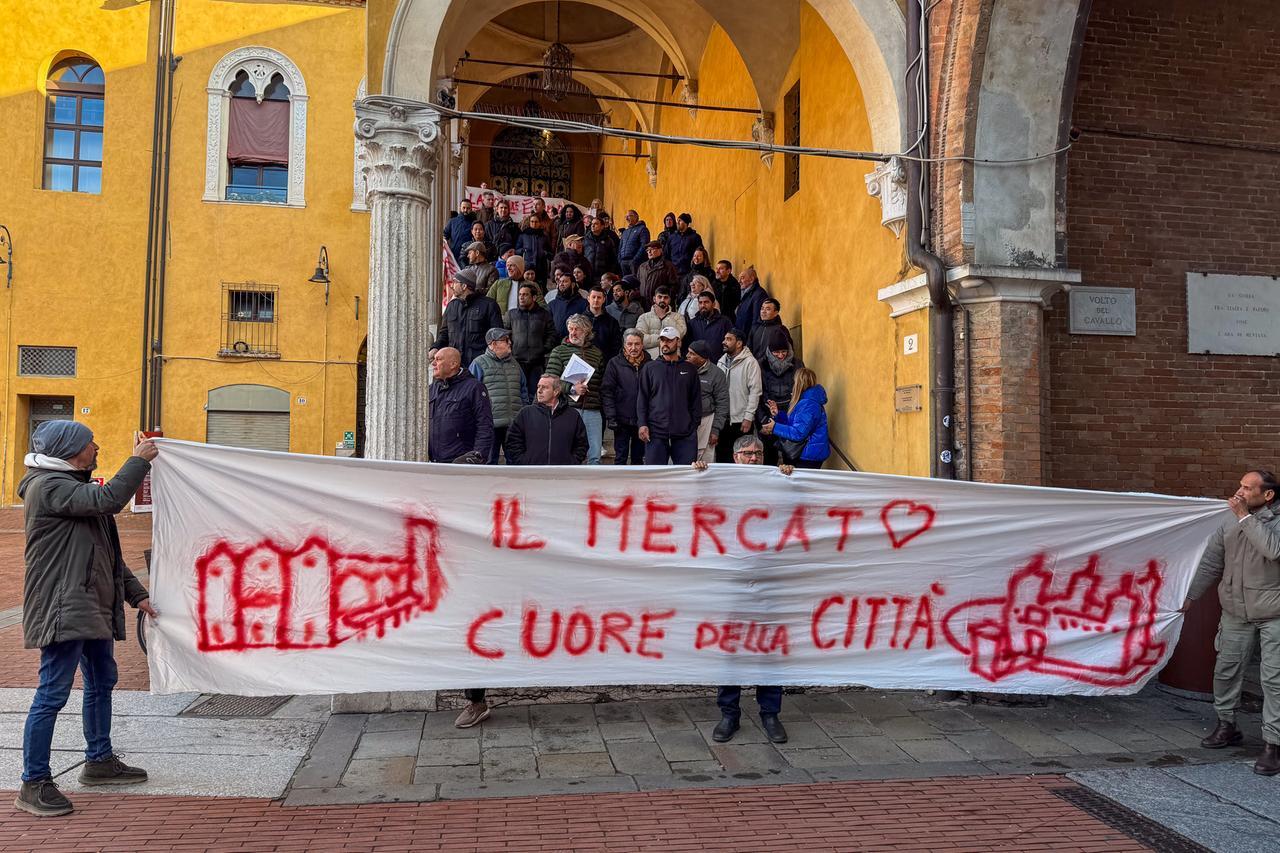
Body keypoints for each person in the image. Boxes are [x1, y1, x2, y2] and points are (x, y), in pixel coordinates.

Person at [15, 422, 159, 818]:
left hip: (89, 604)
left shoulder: (77, 490)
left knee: (101, 681)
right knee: (52, 692)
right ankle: (34, 782)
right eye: (89, 441)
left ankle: (99, 761)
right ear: (70, 449)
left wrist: (137, 593)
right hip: (64, 606)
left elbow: (108, 554)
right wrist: (139, 461)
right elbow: (113, 498)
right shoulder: (50, 487)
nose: (96, 445)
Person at [691, 433, 793, 745]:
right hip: (731, 580)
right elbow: (696, 504)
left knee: (769, 649)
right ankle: (729, 713)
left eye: (758, 454)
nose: (753, 459)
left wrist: (790, 477)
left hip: (769, 579)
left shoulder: (777, 483)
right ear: (735, 458)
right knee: (731, 648)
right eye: (747, 453)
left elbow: (798, 507)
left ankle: (770, 713)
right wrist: (696, 476)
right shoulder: (721, 482)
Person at [1183, 470, 1280, 776]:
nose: (1239, 492)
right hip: (1235, 611)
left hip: (1273, 613)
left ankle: (1272, 745)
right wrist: (1191, 596)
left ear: (1267, 496)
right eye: (1239, 486)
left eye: (1247, 488)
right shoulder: (1229, 520)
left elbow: (1274, 551)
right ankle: (1227, 725)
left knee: (1274, 681)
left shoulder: (1266, 520)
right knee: (1226, 669)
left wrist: (1244, 518)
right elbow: (1212, 561)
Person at [545, 314, 606, 465]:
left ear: (586, 331)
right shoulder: (559, 351)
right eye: (570, 329)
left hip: (593, 409)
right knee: (567, 453)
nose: (572, 332)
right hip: (568, 409)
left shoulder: (597, 353)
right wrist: (571, 388)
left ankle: (593, 487)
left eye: (577, 329)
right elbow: (549, 381)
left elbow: (602, 383)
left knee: (595, 455)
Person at [637, 326, 701, 465]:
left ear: (678, 342)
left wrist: (693, 425)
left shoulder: (690, 369)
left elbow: (696, 400)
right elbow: (642, 399)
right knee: (654, 477)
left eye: (669, 340)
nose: (665, 343)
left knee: (686, 476)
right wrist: (642, 424)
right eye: (662, 340)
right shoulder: (650, 368)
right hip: (656, 433)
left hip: (685, 433)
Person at [469, 328, 529, 464]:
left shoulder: (514, 364)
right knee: (489, 463)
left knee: (516, 463)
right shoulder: (479, 363)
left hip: (514, 424)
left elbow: (523, 390)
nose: (510, 343)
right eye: (505, 340)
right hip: (491, 425)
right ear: (493, 344)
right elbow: (471, 394)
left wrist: (523, 413)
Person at [505, 374, 589, 466]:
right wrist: (524, 462)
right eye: (538, 387)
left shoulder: (573, 415)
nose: (539, 391)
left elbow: (581, 445)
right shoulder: (526, 413)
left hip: (562, 475)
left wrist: (571, 462)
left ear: (556, 391)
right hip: (532, 474)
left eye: (544, 387)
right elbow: (513, 441)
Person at [427, 348, 493, 463]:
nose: (433, 363)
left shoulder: (474, 388)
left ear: (453, 364)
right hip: (434, 463)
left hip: (461, 464)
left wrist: (477, 457)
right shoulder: (431, 389)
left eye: (438, 359)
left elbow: (484, 425)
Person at [432, 268, 503, 368]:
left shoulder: (489, 305)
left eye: (455, 282)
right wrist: (435, 347)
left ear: (464, 286)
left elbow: (497, 337)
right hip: (454, 366)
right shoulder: (451, 306)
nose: (452, 286)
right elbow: (444, 334)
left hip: (480, 366)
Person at [761, 367, 829, 469]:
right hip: (806, 453)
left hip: (807, 456)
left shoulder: (808, 404)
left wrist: (775, 427)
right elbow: (794, 424)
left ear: (798, 382)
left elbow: (798, 433)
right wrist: (778, 414)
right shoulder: (806, 400)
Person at [601, 329, 650, 465]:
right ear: (624, 345)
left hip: (641, 420)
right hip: (621, 419)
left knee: (638, 459)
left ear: (642, 345)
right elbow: (607, 391)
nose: (633, 348)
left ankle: (637, 487)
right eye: (629, 344)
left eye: (637, 344)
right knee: (620, 457)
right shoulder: (614, 363)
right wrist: (611, 416)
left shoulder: (650, 364)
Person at [757, 327, 802, 466]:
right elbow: (756, 394)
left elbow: (801, 390)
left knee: (791, 457)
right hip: (767, 416)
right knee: (769, 456)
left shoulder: (797, 364)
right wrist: (763, 420)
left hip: (790, 417)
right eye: (777, 352)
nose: (781, 356)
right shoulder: (761, 365)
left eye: (784, 351)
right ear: (770, 351)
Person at [716, 328, 762, 463]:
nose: (724, 342)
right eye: (724, 339)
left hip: (741, 421)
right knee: (723, 460)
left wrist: (748, 417)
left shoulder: (750, 363)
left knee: (743, 460)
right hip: (723, 420)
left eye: (729, 339)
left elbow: (755, 392)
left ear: (739, 343)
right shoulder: (721, 361)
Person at [507, 282, 558, 392]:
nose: (521, 297)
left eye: (525, 294)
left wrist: (543, 349)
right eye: (520, 294)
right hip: (516, 362)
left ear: (534, 297)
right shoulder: (512, 314)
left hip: (537, 363)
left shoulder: (544, 314)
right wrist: (511, 350)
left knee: (536, 393)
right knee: (518, 392)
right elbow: (506, 334)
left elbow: (552, 334)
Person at [686, 340, 729, 464]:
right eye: (688, 352)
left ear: (702, 357)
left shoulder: (717, 374)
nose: (687, 356)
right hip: (685, 420)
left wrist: (715, 429)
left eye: (692, 353)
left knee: (705, 460)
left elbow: (722, 403)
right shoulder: (682, 368)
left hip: (706, 419)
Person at [637, 287, 687, 359]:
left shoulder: (678, 317)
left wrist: (667, 318)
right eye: (660, 297)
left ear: (669, 300)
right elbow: (641, 340)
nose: (662, 300)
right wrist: (667, 339)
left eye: (666, 297)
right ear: (654, 299)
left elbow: (680, 334)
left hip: (672, 359)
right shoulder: (644, 317)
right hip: (650, 359)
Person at [686, 289, 733, 357]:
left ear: (713, 304)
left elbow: (730, 342)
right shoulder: (692, 323)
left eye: (706, 302)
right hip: (698, 363)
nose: (703, 305)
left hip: (719, 362)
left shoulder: (724, 321)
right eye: (700, 302)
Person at [546, 268, 588, 340]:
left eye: (565, 281)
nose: (561, 284)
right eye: (560, 282)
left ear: (573, 284)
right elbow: (547, 327)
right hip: (555, 345)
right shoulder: (552, 304)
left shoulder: (583, 303)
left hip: (576, 344)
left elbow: (586, 326)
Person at [489, 254, 529, 325]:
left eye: (512, 265)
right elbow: (488, 302)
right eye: (507, 266)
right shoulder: (498, 283)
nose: (508, 268)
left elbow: (541, 307)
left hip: (523, 325)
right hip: (502, 325)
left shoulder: (531, 285)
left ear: (520, 267)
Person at [585, 286, 622, 363]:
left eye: (599, 297)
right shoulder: (580, 320)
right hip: (584, 361)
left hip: (605, 363)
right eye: (593, 297)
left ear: (603, 300)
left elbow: (616, 347)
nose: (596, 300)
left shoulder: (612, 322)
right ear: (588, 299)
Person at [734, 267, 769, 339]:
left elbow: (756, 320)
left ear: (751, 279)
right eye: (739, 278)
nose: (739, 281)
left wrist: (751, 339)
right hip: (743, 336)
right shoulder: (746, 294)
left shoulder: (759, 294)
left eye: (742, 278)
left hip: (750, 338)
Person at [666, 212, 704, 277]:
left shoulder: (695, 237)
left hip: (688, 273)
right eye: (677, 221)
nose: (677, 222)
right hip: (673, 273)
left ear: (686, 223)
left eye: (680, 221)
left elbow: (700, 254)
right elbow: (666, 254)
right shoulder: (672, 238)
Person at [517, 212, 552, 282]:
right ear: (529, 222)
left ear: (540, 223)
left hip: (541, 267)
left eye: (536, 222)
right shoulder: (523, 235)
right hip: (527, 267)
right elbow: (516, 250)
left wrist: (545, 253)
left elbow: (550, 252)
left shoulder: (544, 236)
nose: (534, 224)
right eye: (532, 221)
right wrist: (523, 250)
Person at [617, 209, 650, 274]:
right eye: (626, 216)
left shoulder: (642, 229)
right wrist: (620, 260)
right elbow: (620, 247)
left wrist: (635, 259)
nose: (626, 218)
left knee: (635, 281)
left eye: (629, 216)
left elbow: (644, 245)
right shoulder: (625, 232)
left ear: (636, 217)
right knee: (625, 282)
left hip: (635, 261)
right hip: (623, 262)